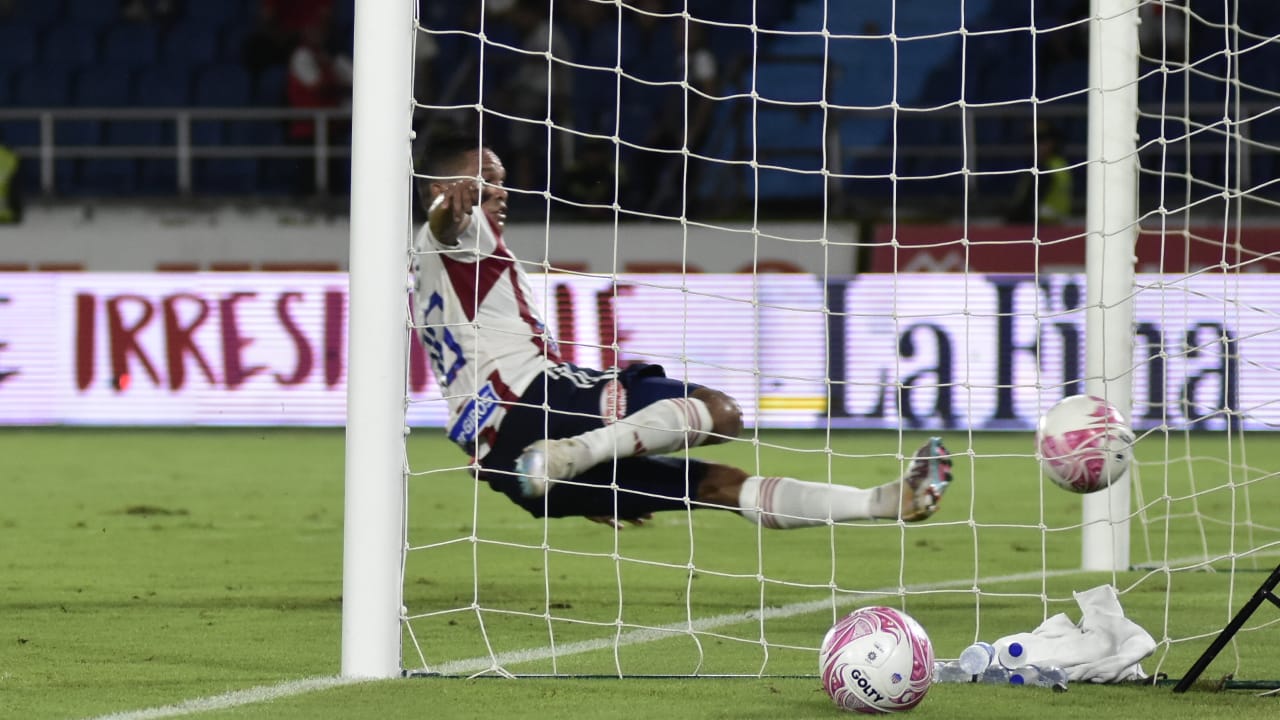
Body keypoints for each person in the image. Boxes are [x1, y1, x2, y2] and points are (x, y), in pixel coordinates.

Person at [412, 131, 954, 529]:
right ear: (447, 188)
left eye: (502, 184)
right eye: (487, 184)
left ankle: (884, 502)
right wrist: (448, 208)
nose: (500, 195)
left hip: (504, 462)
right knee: (721, 413)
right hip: (538, 402)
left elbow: (444, 230)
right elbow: (448, 223)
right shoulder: (456, 236)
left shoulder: (423, 266)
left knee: (719, 484)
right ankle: (574, 454)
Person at [1006, 123, 1073, 224]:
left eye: (1041, 141)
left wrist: (1012, 218)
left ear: (1052, 143)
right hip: (1053, 222)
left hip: (1044, 223)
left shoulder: (1047, 168)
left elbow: (1029, 202)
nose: (1036, 146)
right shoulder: (1059, 163)